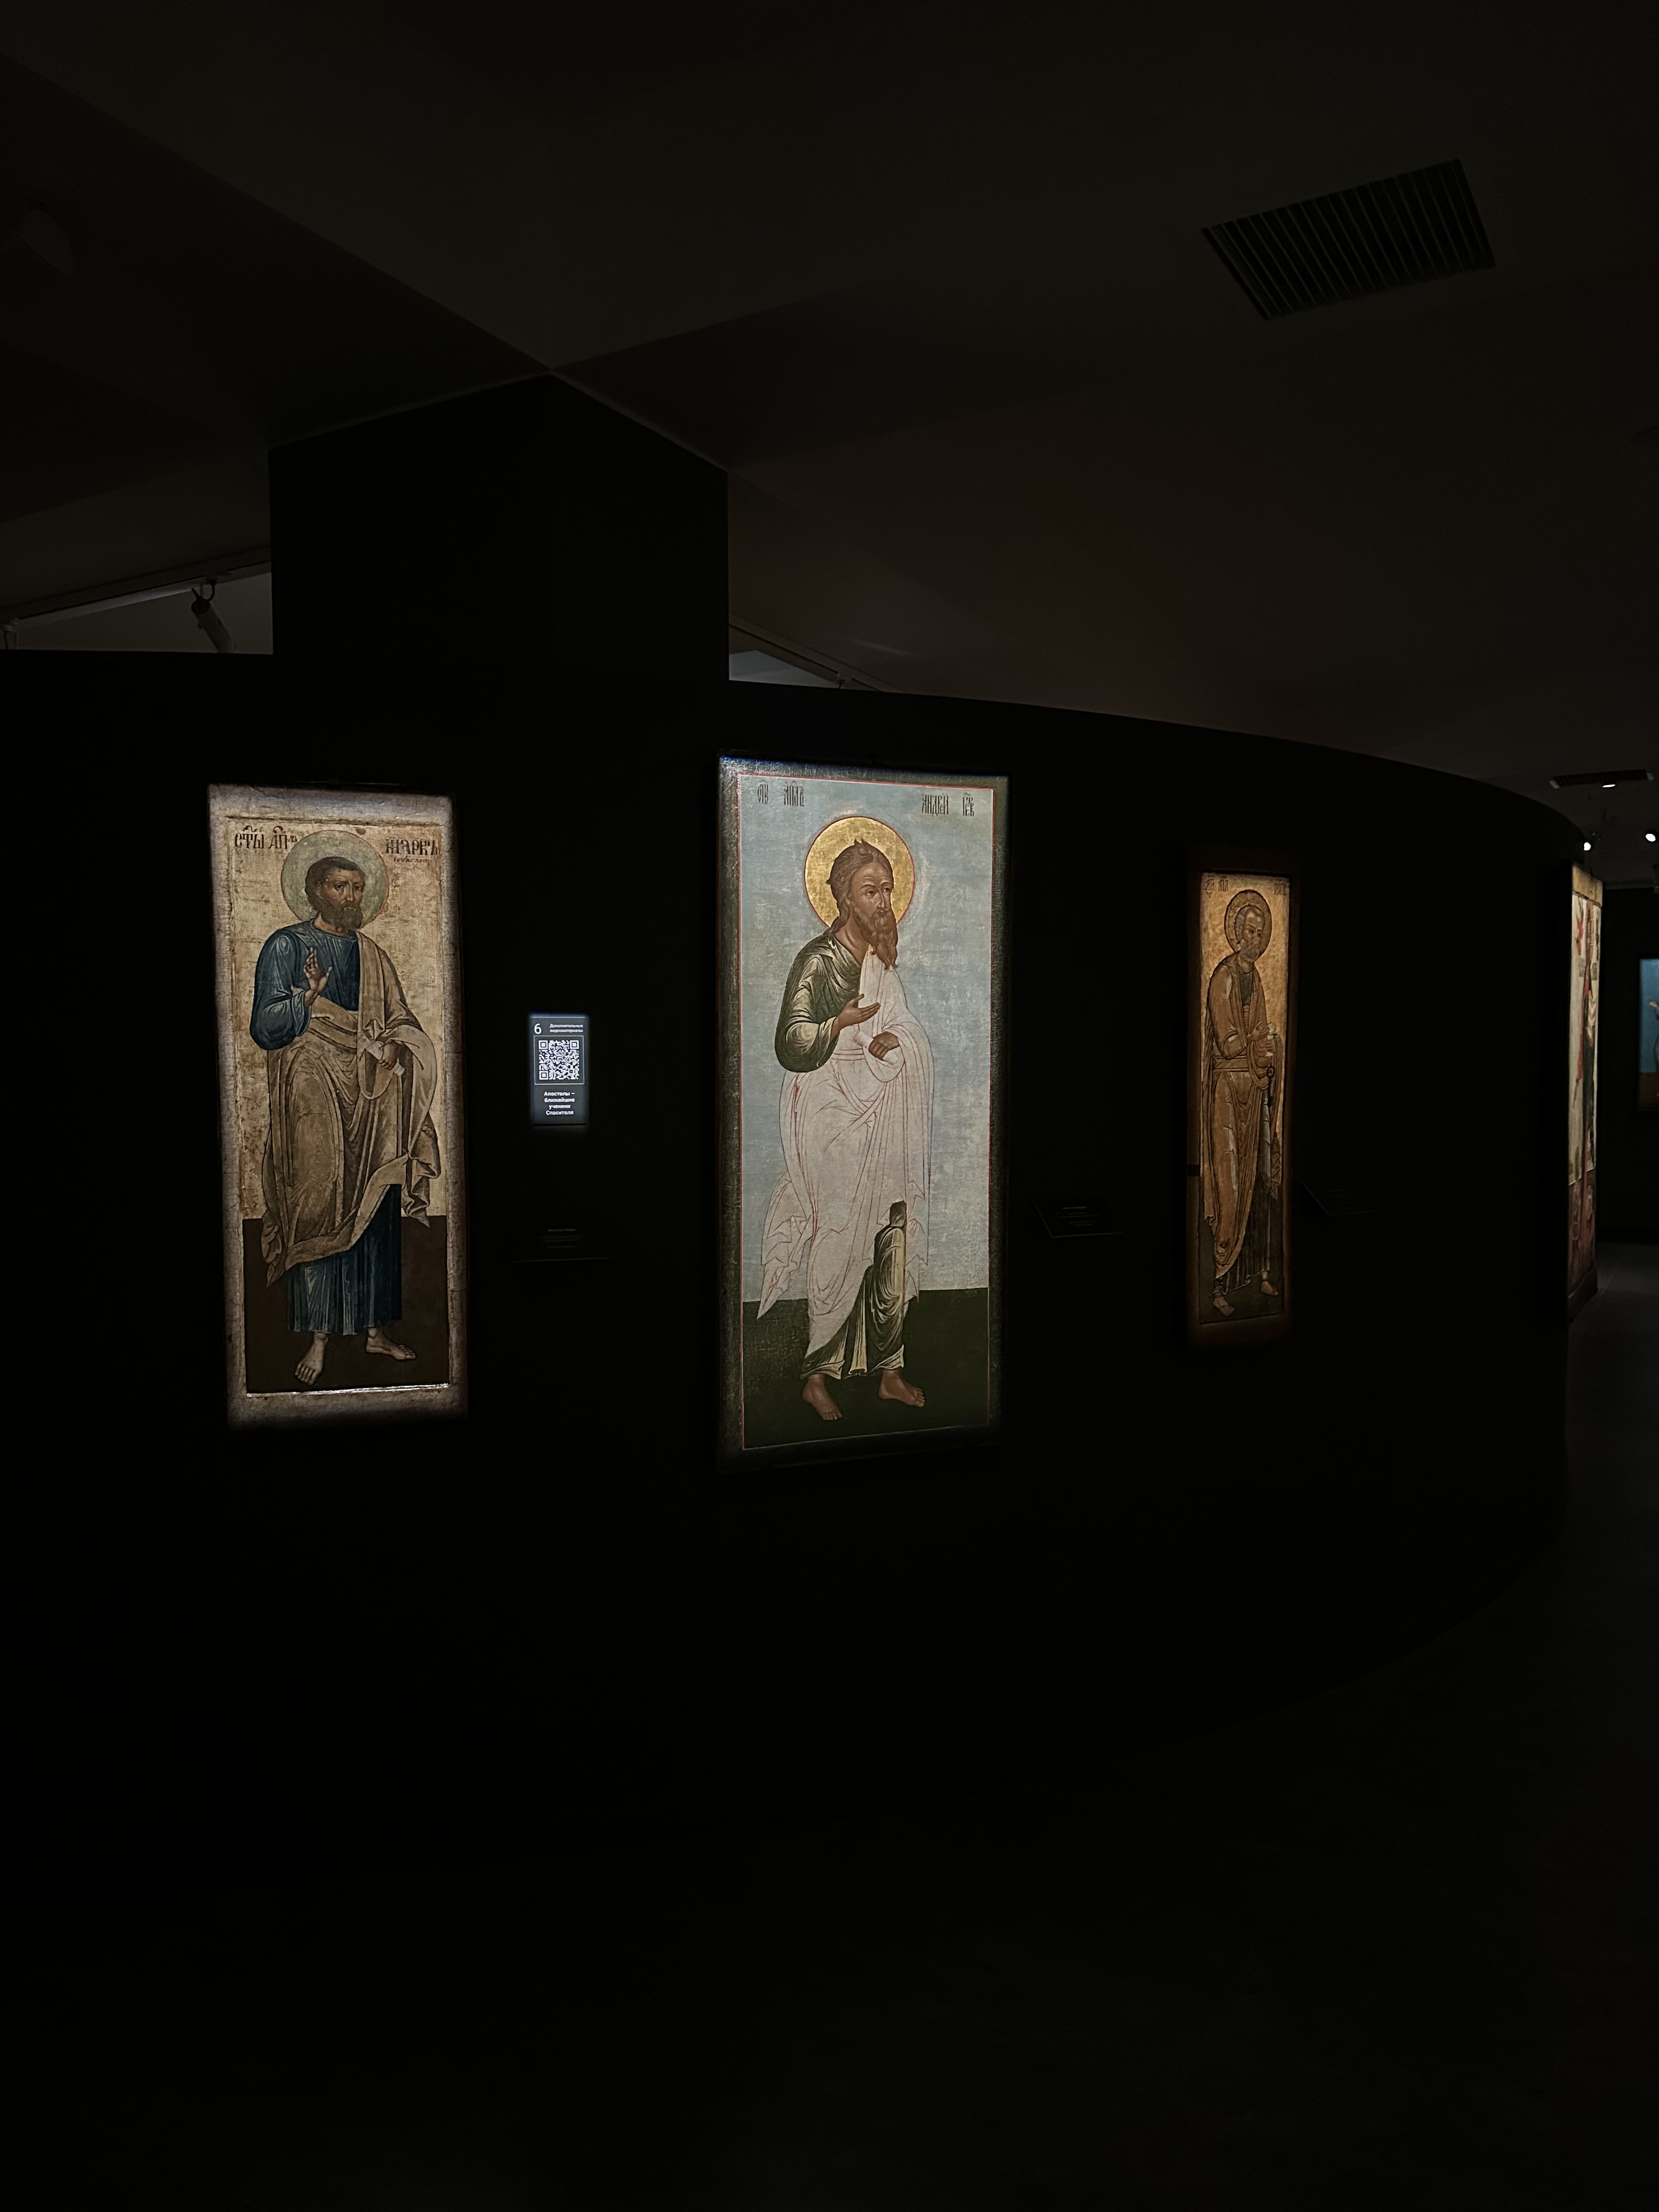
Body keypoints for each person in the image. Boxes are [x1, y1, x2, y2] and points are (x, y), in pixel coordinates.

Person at [758, 839, 933, 1421]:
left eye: (888, 890)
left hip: (884, 1108)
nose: (883, 902)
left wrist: (895, 1040)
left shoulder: (883, 962)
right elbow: (791, 1040)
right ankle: (817, 1375)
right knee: (838, 1233)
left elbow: (904, 1027)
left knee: (892, 1233)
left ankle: (889, 1371)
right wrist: (840, 1024)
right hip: (830, 1111)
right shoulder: (818, 961)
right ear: (843, 898)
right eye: (870, 891)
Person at [250, 856, 441, 1384]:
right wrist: (308, 996)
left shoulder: (373, 955)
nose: (351, 897)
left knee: (375, 1203)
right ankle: (319, 1338)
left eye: (358, 888)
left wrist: (395, 1045)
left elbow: (400, 1018)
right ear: (315, 891)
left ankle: (375, 1331)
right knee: (317, 1200)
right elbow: (265, 1025)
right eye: (340, 886)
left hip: (371, 1095)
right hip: (312, 1091)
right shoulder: (286, 946)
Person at [1201, 891, 1282, 1318]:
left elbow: (1261, 1040)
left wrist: (1269, 1052)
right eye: (1249, 931)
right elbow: (1229, 1041)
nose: (1255, 939)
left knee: (1260, 1184)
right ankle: (1219, 1281)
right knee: (1231, 1190)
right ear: (1236, 933)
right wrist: (1258, 1044)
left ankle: (1258, 1273)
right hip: (1228, 1098)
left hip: (1253, 1090)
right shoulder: (1224, 978)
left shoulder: (1260, 980)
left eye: (1261, 932)